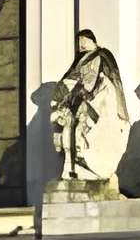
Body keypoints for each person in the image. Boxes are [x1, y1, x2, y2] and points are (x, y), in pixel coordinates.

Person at [49, 29, 129, 183]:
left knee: (86, 128)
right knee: (69, 127)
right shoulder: (81, 59)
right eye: (79, 42)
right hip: (82, 97)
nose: (81, 44)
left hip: (101, 98)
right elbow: (72, 78)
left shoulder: (102, 55)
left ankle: (92, 165)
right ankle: (73, 167)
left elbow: (98, 80)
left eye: (84, 41)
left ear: (91, 40)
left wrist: (86, 91)